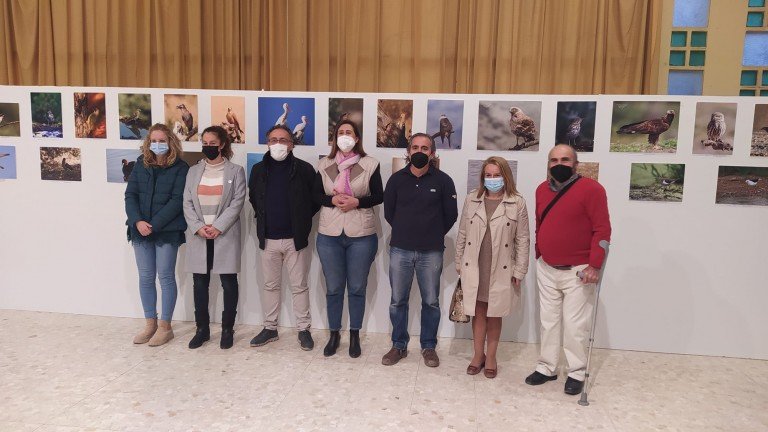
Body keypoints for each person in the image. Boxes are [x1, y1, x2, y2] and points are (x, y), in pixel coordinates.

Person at [524, 144, 611, 395]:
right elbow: (540, 223)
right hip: (547, 267)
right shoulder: (541, 189)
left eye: (565, 160)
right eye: (553, 160)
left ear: (575, 164)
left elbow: (602, 230)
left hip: (579, 270)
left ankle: (575, 372)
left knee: (574, 325)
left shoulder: (592, 189)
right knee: (548, 321)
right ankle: (547, 367)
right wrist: (540, 254)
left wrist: (595, 265)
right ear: (548, 164)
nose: (558, 164)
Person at [382, 133, 458, 367]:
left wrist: (432, 233)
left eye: (425, 148)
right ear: (408, 151)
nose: (419, 152)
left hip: (431, 251)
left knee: (431, 301)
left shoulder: (444, 181)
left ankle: (428, 346)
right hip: (400, 250)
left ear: (432, 153)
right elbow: (389, 213)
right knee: (397, 300)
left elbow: (451, 215)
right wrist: (407, 231)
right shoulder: (396, 180)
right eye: (415, 147)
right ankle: (399, 345)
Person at [455, 156, 530, 378]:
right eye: (488, 175)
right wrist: (459, 261)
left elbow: (523, 239)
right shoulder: (472, 199)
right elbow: (462, 233)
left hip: (502, 267)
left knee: (495, 313)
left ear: (505, 176)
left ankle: (492, 356)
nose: (492, 179)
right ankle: (477, 355)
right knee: (478, 313)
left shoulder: (517, 202)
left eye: (496, 175)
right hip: (475, 264)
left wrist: (520, 270)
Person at [313, 120, 383, 358]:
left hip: (361, 234)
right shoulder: (324, 164)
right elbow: (315, 194)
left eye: (349, 133)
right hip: (329, 233)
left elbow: (378, 196)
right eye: (340, 132)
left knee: (356, 287)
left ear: (357, 138)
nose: (344, 136)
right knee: (333, 288)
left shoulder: (370, 164)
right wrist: (331, 200)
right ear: (334, 138)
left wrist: (357, 202)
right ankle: (334, 334)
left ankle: (354, 334)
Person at [248, 124, 319, 351]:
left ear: (292, 144)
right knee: (270, 285)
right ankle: (270, 328)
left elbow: (315, 200)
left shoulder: (305, 169)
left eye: (283, 140)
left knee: (299, 286)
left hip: (294, 239)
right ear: (268, 143)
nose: (278, 143)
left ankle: (304, 329)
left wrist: (301, 220)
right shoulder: (258, 169)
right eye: (273, 139)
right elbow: (253, 198)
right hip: (267, 238)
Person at [125, 123, 189, 346]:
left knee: (166, 277)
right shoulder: (141, 165)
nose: (158, 144)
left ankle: (165, 326)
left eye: (162, 140)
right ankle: (150, 324)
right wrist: (137, 221)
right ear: (148, 142)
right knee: (145, 277)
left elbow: (177, 200)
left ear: (170, 141)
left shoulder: (180, 168)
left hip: (167, 231)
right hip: (139, 229)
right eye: (154, 140)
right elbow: (130, 195)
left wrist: (154, 224)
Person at [182, 126, 246, 350]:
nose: (208, 147)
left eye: (212, 143)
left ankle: (228, 329)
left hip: (224, 234)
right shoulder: (193, 171)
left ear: (222, 145)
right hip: (199, 235)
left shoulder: (236, 171)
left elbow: (237, 202)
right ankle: (202, 330)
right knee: (200, 283)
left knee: (229, 282)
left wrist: (218, 226)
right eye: (205, 143)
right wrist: (198, 227)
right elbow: (187, 202)